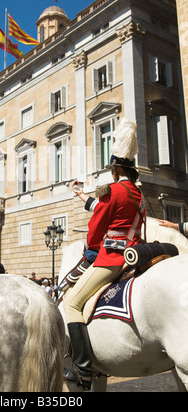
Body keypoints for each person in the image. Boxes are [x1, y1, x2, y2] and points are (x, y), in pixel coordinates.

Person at [63, 118, 146, 390]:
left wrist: (91, 247)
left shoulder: (112, 190)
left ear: (115, 170)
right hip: (136, 254)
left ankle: (83, 367)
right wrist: (81, 196)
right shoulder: (139, 195)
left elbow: (95, 230)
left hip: (111, 259)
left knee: (72, 303)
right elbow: (104, 209)